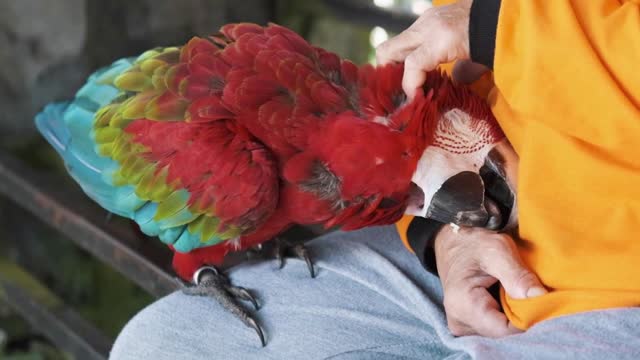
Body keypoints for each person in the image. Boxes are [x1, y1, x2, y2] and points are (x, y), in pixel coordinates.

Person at [110, 0, 640, 358]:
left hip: (611, 296)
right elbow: (450, 70)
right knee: (161, 344)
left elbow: (492, 28)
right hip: (470, 258)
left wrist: (502, 28)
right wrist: (444, 236)